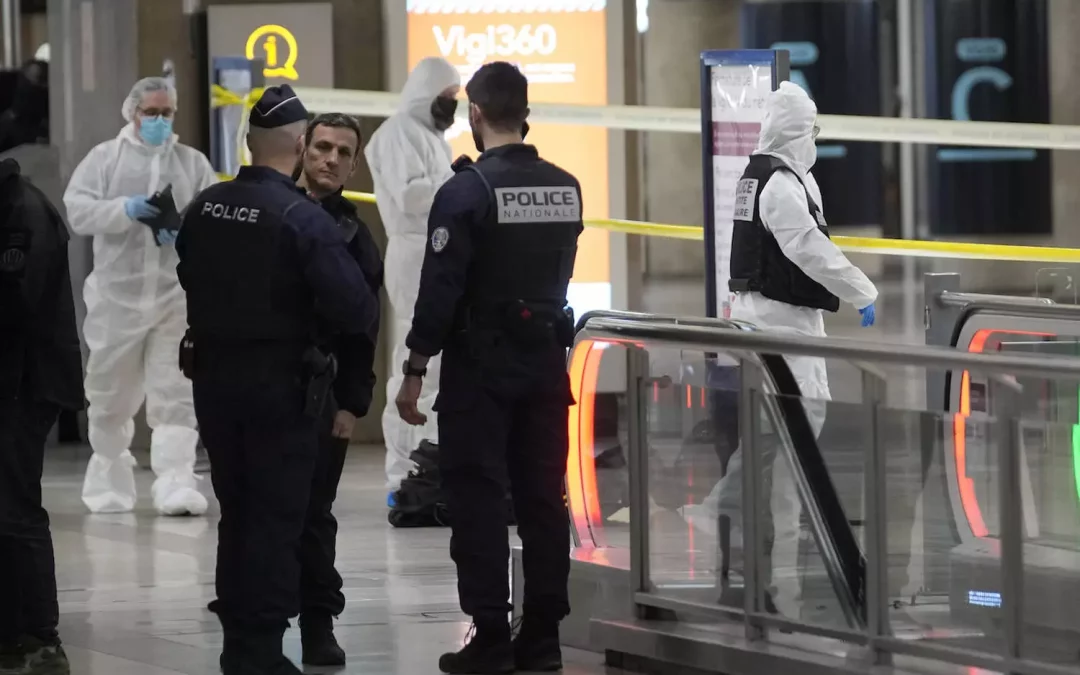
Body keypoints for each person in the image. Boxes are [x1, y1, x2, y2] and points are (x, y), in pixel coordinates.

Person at [176, 85, 379, 675]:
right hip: (281, 390)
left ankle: (238, 644)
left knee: (235, 512)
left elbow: (189, 271)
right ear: (297, 145)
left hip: (214, 383)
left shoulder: (206, 206)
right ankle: (261, 650)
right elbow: (357, 310)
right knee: (276, 518)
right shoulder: (301, 218)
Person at [396, 62, 580, 675]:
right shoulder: (566, 186)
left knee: (477, 500)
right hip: (547, 368)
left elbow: (440, 287)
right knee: (542, 501)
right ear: (526, 112)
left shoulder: (466, 191)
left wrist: (417, 363)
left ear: (474, 114)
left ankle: (493, 636)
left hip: (480, 371)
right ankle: (546, 636)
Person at [699, 81, 878, 604]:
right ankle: (723, 504)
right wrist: (860, 289)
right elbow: (808, 249)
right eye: (812, 130)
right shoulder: (778, 185)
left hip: (778, 314)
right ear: (797, 132)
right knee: (794, 420)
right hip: (780, 320)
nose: (815, 140)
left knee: (794, 424)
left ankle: (779, 532)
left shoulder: (773, 176)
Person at [63, 76, 218, 516]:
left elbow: (211, 216)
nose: (159, 120)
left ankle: (175, 483)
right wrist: (125, 210)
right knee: (110, 393)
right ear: (133, 112)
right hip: (118, 299)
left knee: (176, 393)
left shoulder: (191, 163)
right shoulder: (104, 159)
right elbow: (77, 209)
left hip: (175, 297)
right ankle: (109, 479)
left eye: (166, 113)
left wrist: (185, 231)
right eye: (151, 112)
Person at [293, 112, 383, 667]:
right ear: (302, 148)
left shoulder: (354, 235)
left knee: (314, 514)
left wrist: (352, 403)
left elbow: (362, 329)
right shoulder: (270, 212)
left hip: (321, 392)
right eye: (321, 147)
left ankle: (317, 623)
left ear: (354, 163)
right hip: (258, 388)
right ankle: (251, 616)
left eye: (341, 152)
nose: (329, 159)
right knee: (252, 511)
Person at [0, 158, 85, 675]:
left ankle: (41, 636)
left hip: (23, 386)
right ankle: (9, 630)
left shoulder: (23, 211)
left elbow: (16, 308)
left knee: (16, 509)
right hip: (10, 381)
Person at [365, 56, 460, 506]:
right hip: (413, 256)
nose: (451, 106)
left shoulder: (429, 138)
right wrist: (455, 182)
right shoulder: (398, 132)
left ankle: (429, 467)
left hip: (433, 256)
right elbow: (409, 195)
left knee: (436, 368)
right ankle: (403, 474)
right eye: (446, 97)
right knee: (413, 364)